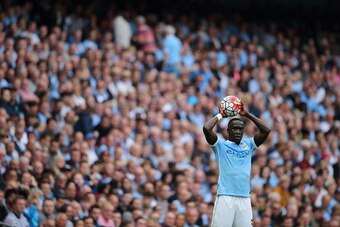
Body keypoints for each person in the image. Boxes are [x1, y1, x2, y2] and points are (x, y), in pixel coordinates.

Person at [202, 101, 270, 227]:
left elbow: (266, 130)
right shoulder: (220, 145)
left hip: (245, 198)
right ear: (228, 130)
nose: (238, 131)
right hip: (225, 196)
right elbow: (206, 128)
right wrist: (221, 115)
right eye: (235, 128)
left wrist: (247, 115)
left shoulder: (248, 145)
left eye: (241, 129)